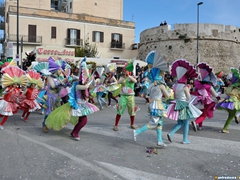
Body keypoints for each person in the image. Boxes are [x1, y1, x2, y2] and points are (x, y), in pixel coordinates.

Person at [45, 58, 99, 141]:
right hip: (55, 97)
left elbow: (91, 86)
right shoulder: (78, 86)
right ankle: (46, 124)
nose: (61, 71)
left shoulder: (62, 78)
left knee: (82, 120)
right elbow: (85, 86)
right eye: (59, 70)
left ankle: (74, 132)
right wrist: (89, 79)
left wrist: (93, 79)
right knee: (50, 111)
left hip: (77, 103)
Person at [133, 51, 171, 147]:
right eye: (162, 72)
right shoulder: (161, 85)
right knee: (154, 123)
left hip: (153, 104)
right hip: (158, 105)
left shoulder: (151, 85)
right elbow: (167, 96)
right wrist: (170, 93)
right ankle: (137, 132)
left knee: (160, 123)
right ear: (160, 74)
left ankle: (159, 141)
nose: (163, 74)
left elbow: (147, 93)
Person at [166, 59, 202, 144]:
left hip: (177, 104)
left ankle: (171, 133)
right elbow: (188, 97)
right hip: (184, 105)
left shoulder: (175, 85)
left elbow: (174, 96)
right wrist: (188, 90)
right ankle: (184, 139)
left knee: (180, 122)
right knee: (185, 123)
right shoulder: (185, 87)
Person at [191, 63, 220, 131]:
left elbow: (194, 91)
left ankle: (200, 126)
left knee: (201, 113)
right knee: (204, 115)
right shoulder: (209, 86)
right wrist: (219, 98)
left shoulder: (198, 84)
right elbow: (215, 95)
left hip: (198, 101)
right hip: (206, 102)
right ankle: (195, 122)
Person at [113, 59, 139, 131]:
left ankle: (132, 124)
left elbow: (135, 81)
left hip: (131, 97)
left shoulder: (132, 78)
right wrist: (123, 77)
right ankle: (116, 125)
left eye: (126, 70)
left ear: (129, 71)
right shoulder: (122, 78)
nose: (125, 71)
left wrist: (129, 76)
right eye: (124, 70)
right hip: (123, 96)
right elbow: (118, 82)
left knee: (132, 110)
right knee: (120, 109)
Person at [216, 68, 240, 133]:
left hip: (230, 100)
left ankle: (225, 128)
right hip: (235, 101)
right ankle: (238, 115)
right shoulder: (238, 77)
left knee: (231, 116)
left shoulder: (235, 76)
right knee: (231, 115)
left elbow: (229, 89)